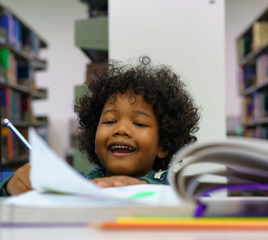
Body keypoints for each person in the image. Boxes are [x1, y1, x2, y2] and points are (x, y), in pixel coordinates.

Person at [0, 56, 200, 196]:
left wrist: (146, 189)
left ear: (163, 145)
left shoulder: (172, 185)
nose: (120, 129)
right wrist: (11, 186)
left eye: (139, 123)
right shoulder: (76, 183)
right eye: (110, 121)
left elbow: (202, 202)